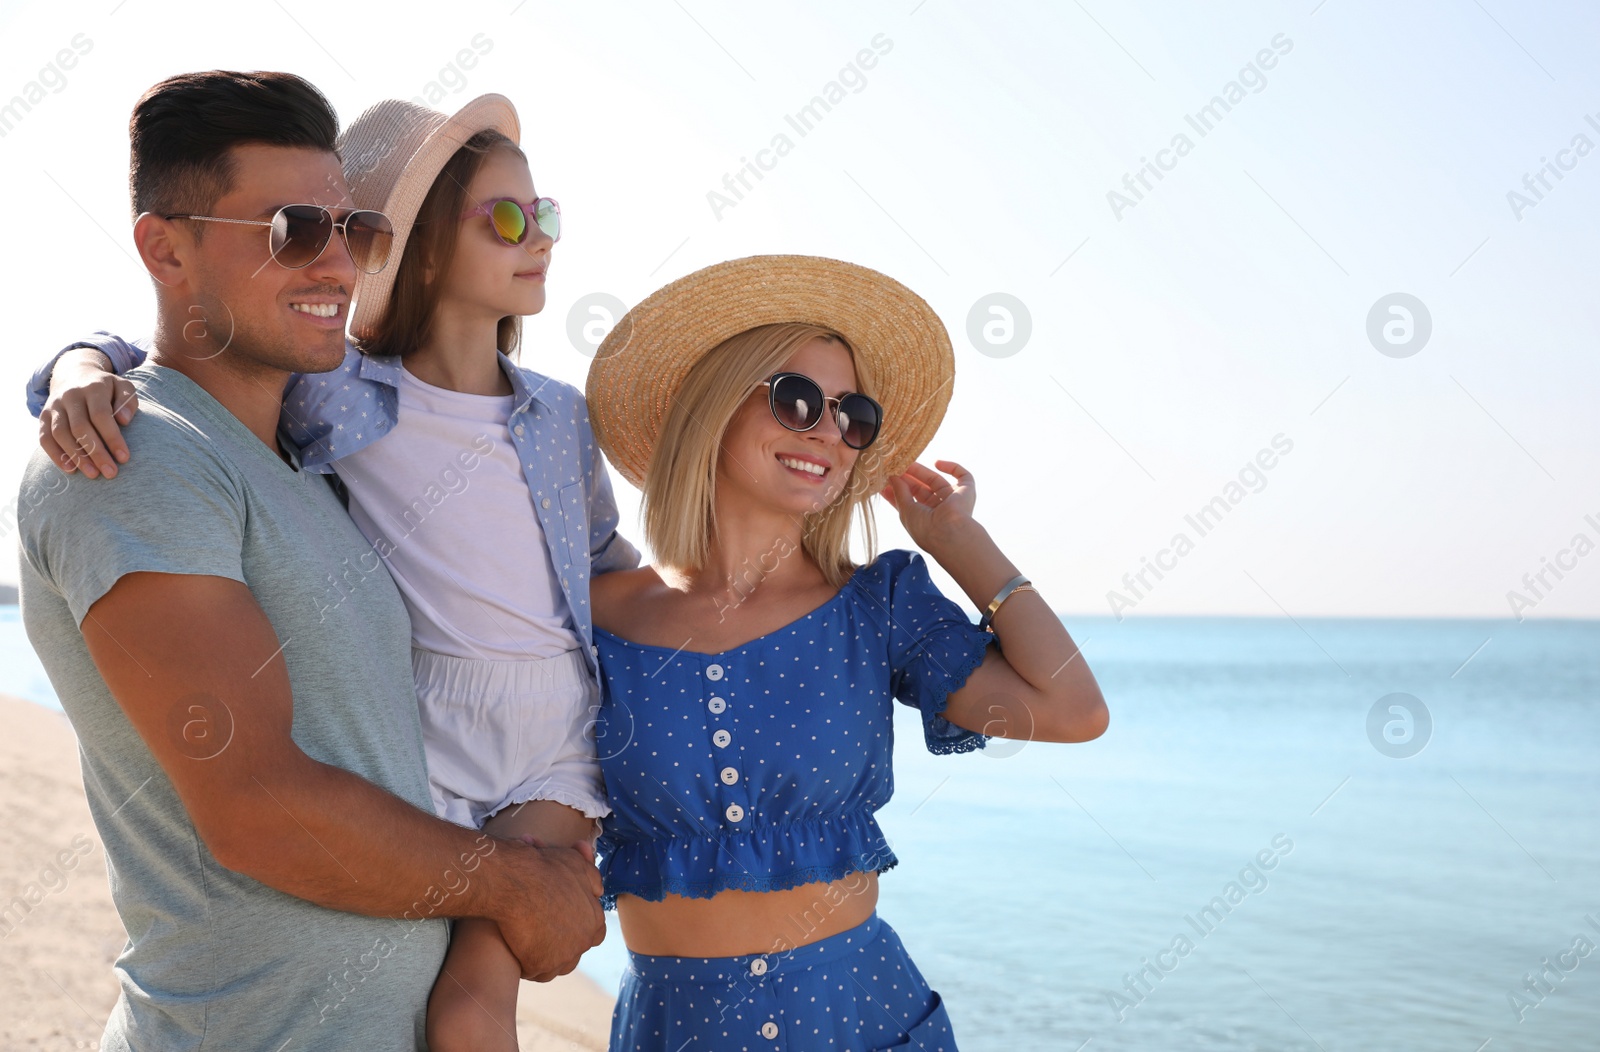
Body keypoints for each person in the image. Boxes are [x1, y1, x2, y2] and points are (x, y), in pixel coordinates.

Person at [26, 92, 641, 1050]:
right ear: (165, 248)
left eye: (353, 228)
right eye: (293, 228)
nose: (337, 261)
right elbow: (258, 806)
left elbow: (599, 574)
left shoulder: (307, 464)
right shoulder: (134, 456)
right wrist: (521, 884)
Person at [583, 255, 1110, 1049]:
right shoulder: (592, 617)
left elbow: (1072, 710)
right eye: (798, 401)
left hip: (864, 1018)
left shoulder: (880, 606)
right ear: (715, 406)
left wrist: (964, 545)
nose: (829, 433)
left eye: (852, 416)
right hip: (675, 1028)